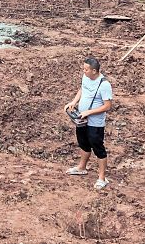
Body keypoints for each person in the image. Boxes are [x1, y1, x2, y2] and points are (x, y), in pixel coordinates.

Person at [63, 56, 114, 190]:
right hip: (82, 119)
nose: (83, 71)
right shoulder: (86, 77)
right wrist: (74, 102)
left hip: (95, 123)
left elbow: (107, 106)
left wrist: (89, 112)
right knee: (83, 143)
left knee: (97, 147)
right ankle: (82, 167)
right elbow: (82, 89)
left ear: (94, 71)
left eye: (86, 69)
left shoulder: (104, 85)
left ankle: (102, 178)